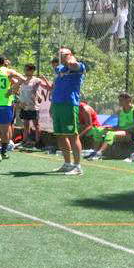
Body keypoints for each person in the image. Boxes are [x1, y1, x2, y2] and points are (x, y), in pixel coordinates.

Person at [50, 46, 86, 175]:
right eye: (58, 54)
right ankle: (67, 163)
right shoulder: (59, 68)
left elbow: (73, 65)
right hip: (57, 104)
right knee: (60, 135)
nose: (59, 56)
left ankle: (77, 166)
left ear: (70, 54)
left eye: (62, 54)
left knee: (72, 135)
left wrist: (68, 57)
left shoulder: (79, 66)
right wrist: (51, 105)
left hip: (69, 105)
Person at [87, 93, 134, 160]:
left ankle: (99, 153)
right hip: (121, 132)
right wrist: (111, 127)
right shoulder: (120, 111)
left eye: (121, 100)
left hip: (131, 134)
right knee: (98, 130)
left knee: (110, 134)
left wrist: (120, 130)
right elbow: (119, 126)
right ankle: (94, 152)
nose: (119, 102)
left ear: (128, 100)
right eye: (119, 100)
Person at [17, 63, 49, 149]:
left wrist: (44, 78)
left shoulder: (37, 80)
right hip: (24, 106)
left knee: (36, 124)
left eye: (27, 69)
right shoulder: (22, 80)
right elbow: (16, 89)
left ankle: (38, 142)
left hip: (33, 106)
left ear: (32, 71)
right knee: (26, 124)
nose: (25, 71)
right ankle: (24, 141)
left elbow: (47, 87)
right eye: (25, 69)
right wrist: (19, 101)